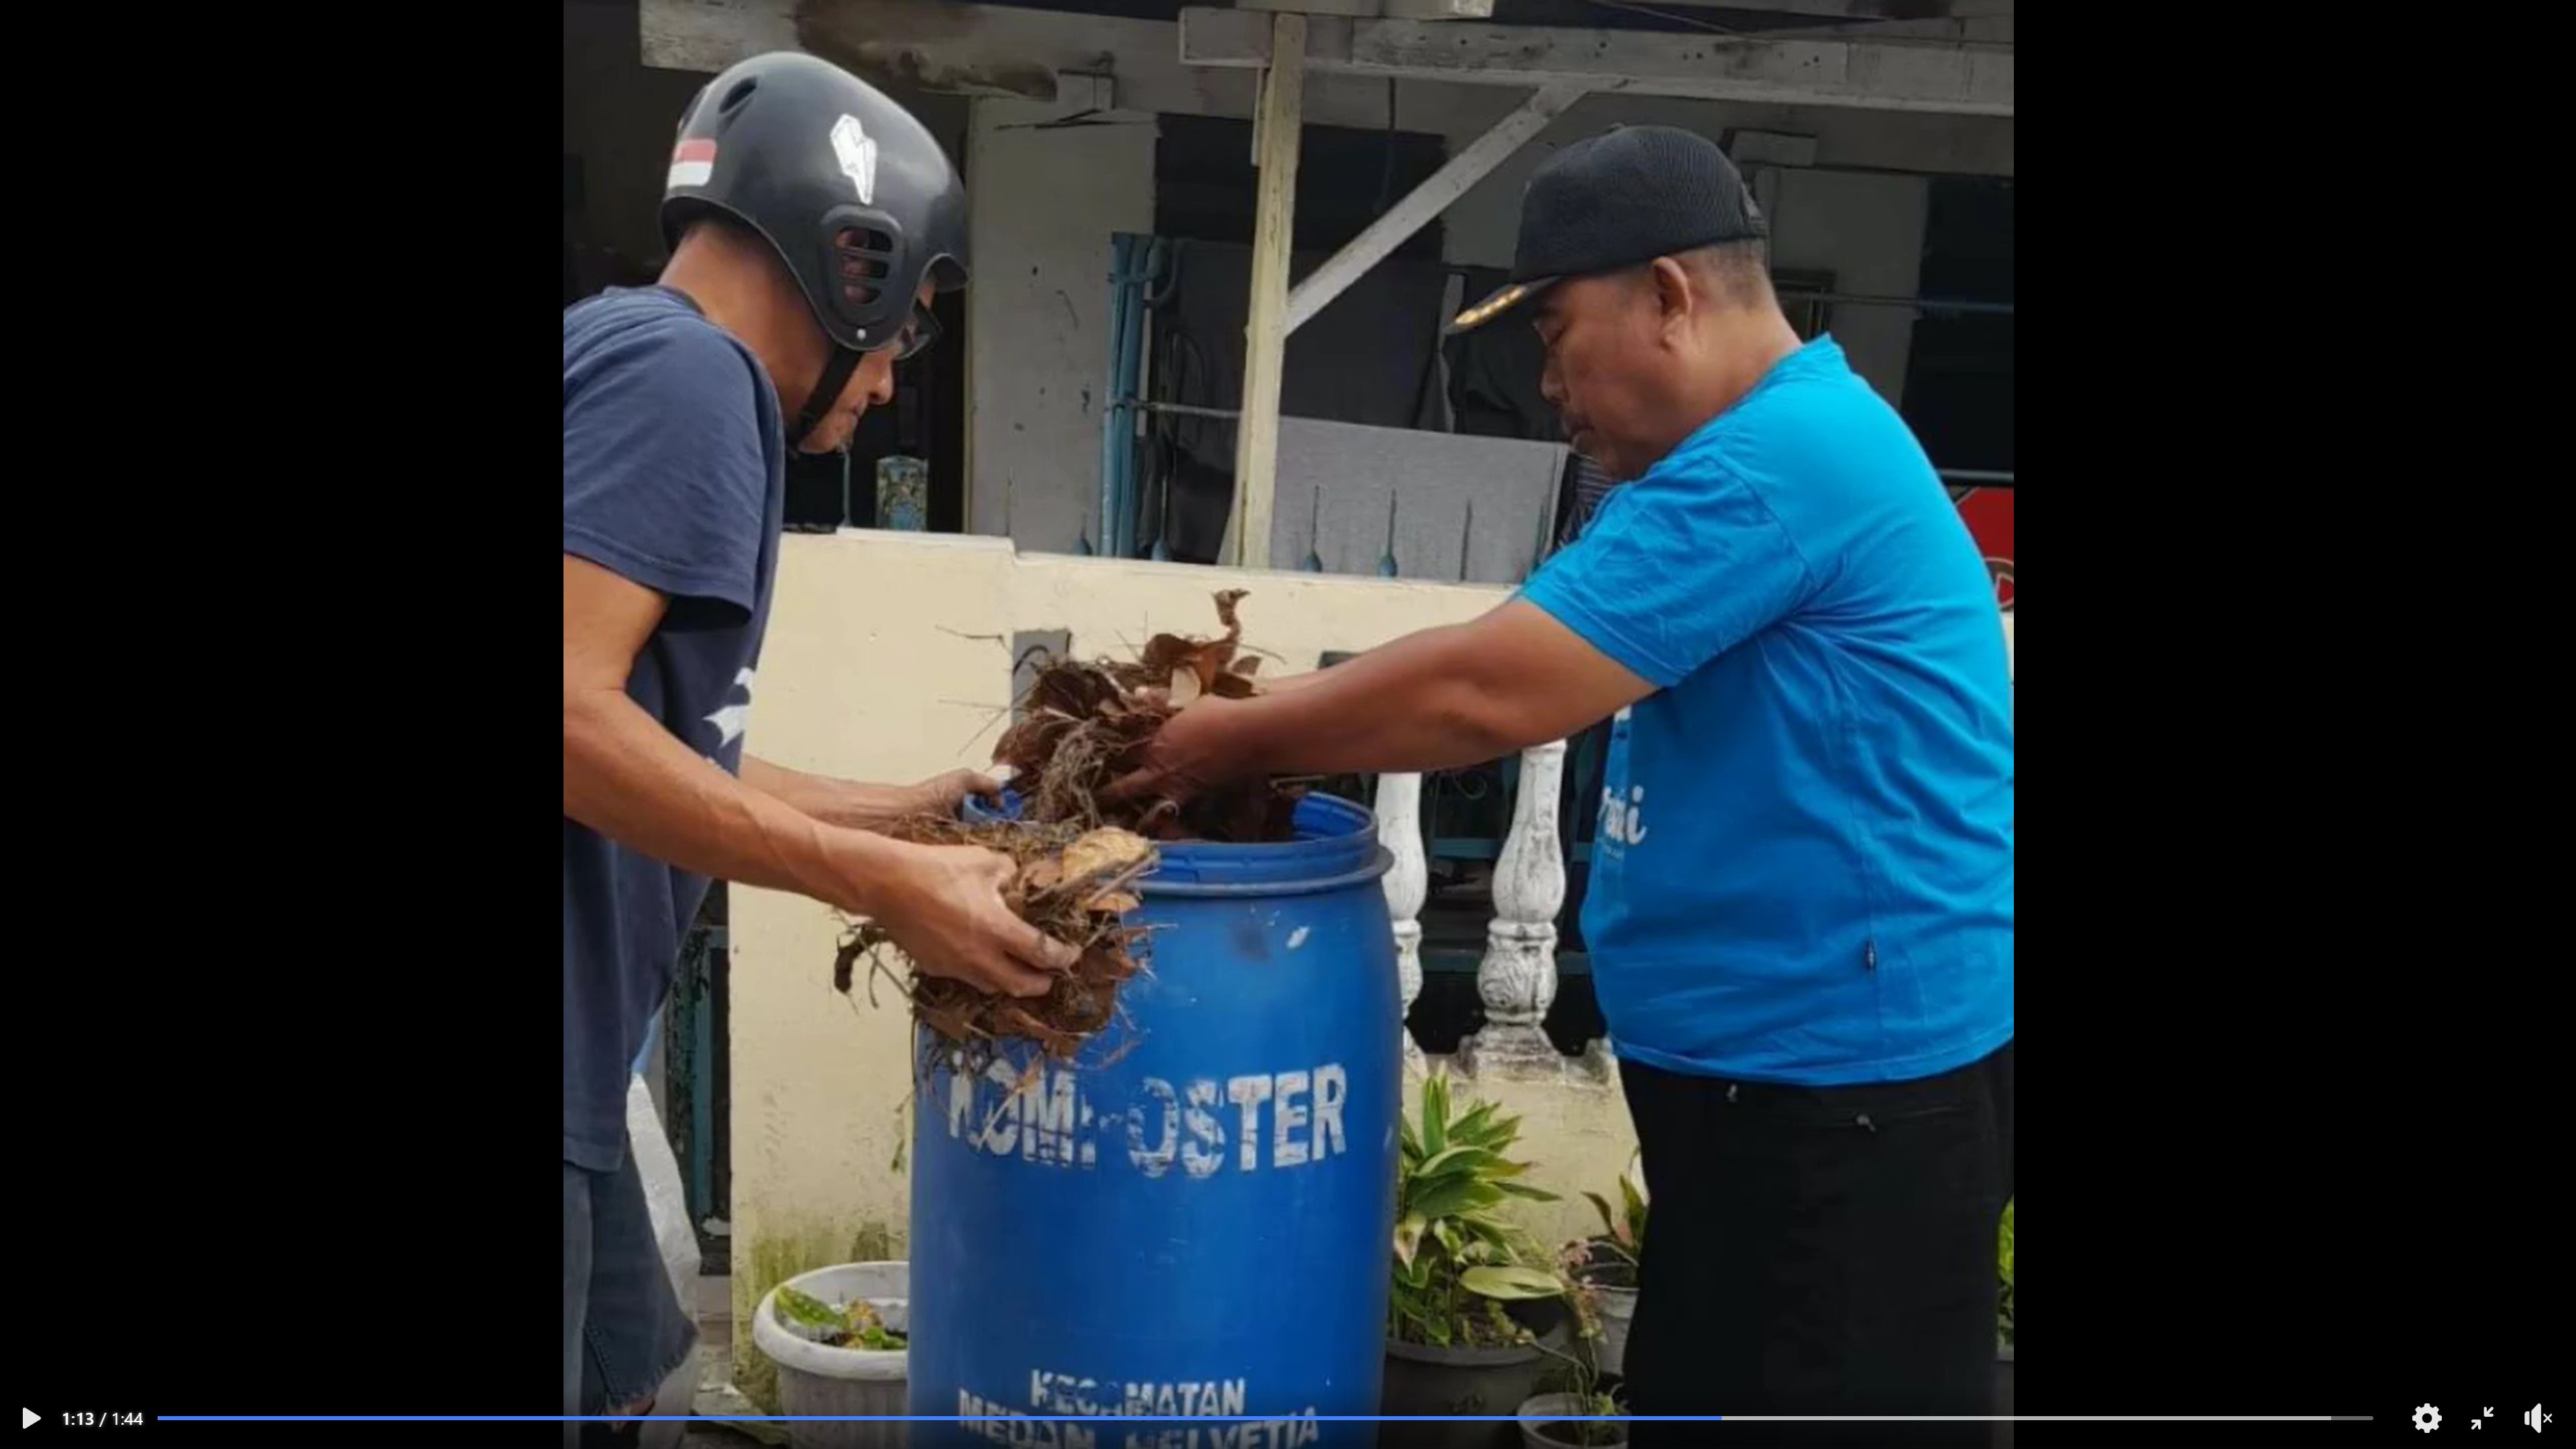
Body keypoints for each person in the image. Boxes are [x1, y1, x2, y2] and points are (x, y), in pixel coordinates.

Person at [1111, 125, 2012, 1445]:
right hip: (1768, 1087)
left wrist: (1210, 741)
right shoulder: (1723, 465)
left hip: (1847, 1106)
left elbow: (1484, 693)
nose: (1546, 384)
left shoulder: (1777, 464)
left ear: (1669, 292)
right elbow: (1515, 652)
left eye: (1553, 332)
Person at [563, 52, 1078, 1448]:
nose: (892, 382)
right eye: (903, 329)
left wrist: (899, 819)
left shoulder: (620, 348)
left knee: (629, 1379)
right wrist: (879, 888)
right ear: (852, 265)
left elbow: (655, 746)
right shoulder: (695, 380)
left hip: (585, 1064)